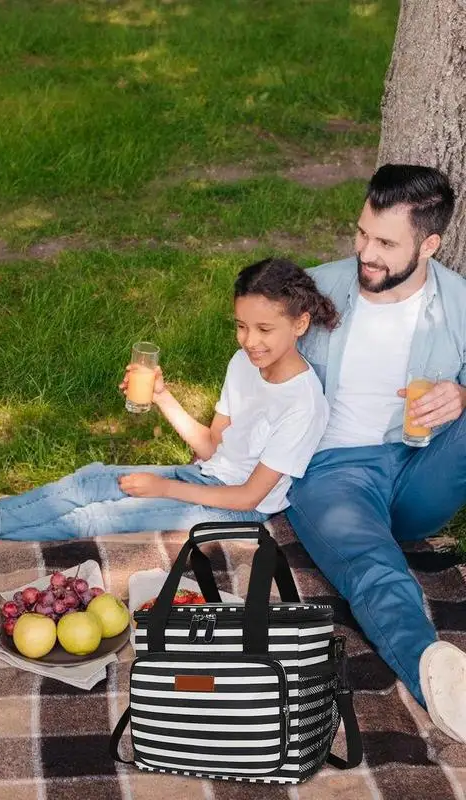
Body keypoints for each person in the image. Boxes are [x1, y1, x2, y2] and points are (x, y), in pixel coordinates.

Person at [0, 257, 337, 561]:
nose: (249, 340)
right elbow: (211, 446)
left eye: (264, 329)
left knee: (101, 514)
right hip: (206, 476)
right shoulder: (243, 362)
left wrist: (163, 487)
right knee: (92, 478)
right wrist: (163, 396)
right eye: (241, 326)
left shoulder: (303, 403)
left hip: (238, 510)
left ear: (300, 324)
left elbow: (248, 496)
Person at [286, 164, 466, 742]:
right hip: (334, 471)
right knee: (372, 566)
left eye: (387, 243)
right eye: (362, 233)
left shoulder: (460, 305)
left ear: (430, 244)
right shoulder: (313, 290)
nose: (367, 252)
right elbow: (252, 381)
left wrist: (461, 396)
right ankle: (432, 667)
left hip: (420, 469)